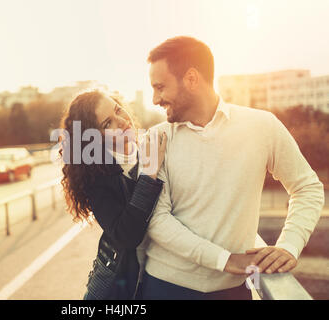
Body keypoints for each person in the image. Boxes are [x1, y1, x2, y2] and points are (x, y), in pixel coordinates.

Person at [140, 36, 325, 300]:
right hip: (164, 287)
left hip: (232, 292)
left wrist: (289, 245)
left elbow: (307, 187)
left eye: (160, 87)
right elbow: (156, 220)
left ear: (191, 79)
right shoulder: (153, 139)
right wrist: (226, 260)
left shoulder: (262, 126)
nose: (155, 99)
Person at [58, 90, 167, 300]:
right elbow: (127, 236)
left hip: (159, 278)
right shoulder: (97, 177)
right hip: (119, 289)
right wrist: (149, 174)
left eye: (118, 109)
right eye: (107, 124)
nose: (122, 120)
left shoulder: (148, 147)